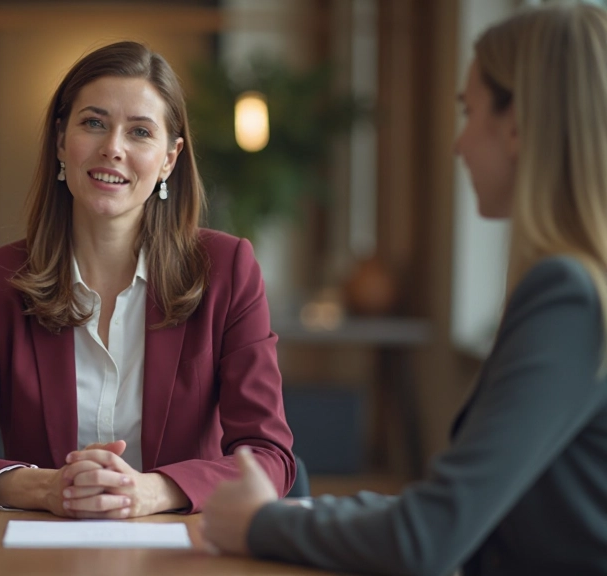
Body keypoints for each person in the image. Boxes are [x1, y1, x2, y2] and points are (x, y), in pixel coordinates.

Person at [202, 4, 607, 575]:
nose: (458, 144)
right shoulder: (582, 289)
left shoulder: (567, 297)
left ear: (517, 126)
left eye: (469, 112)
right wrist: (292, 513)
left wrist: (259, 525)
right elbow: (445, 514)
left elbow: (428, 537)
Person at [0, 41, 295, 518]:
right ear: (60, 140)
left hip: (185, 545)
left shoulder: (227, 270)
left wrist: (153, 492)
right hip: (40, 546)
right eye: (94, 123)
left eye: (140, 132)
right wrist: (47, 488)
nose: (113, 148)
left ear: (169, 158)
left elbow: (269, 457)